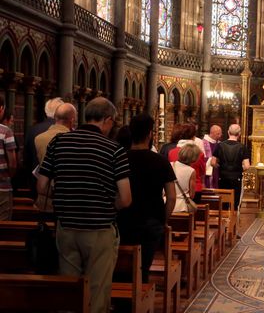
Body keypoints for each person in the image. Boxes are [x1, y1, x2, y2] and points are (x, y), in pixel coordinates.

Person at [37, 97, 132, 313]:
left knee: (70, 290)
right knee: (97, 292)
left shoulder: (58, 142)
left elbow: (42, 186)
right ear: (107, 120)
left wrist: (65, 194)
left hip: (66, 226)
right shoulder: (114, 149)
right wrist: (106, 204)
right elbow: (126, 199)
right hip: (99, 229)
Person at [117, 113, 176, 283]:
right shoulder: (160, 161)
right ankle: (138, 299)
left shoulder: (120, 158)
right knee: (143, 265)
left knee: (122, 263)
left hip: (124, 218)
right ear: (150, 134)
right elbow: (171, 197)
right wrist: (164, 221)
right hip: (151, 220)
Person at [34, 102, 77, 213]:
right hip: (66, 199)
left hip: (44, 196)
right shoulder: (74, 140)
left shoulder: (39, 138)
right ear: (72, 120)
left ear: (55, 117)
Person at [212, 124, 250, 211]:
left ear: (228, 132)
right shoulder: (242, 147)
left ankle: (223, 221)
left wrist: (221, 167)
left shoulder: (220, 145)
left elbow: (213, 162)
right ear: (239, 134)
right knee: (235, 203)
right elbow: (247, 166)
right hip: (236, 178)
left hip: (223, 177)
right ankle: (234, 222)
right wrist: (239, 168)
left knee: (223, 203)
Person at [24, 97, 63, 173]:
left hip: (35, 178)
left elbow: (27, 159)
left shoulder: (32, 130)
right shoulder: (64, 131)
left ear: (46, 111)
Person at [168, 123, 206, 196]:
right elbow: (202, 172)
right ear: (193, 137)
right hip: (195, 188)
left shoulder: (171, 152)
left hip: (177, 187)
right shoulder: (199, 153)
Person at [0, 96, 17, 220]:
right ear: (1, 109)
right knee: (3, 224)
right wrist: (8, 176)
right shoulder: (6, 131)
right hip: (2, 187)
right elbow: (12, 163)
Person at [171, 143, 200, 213]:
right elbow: (192, 195)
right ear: (194, 158)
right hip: (181, 206)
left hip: (166, 204)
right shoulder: (191, 171)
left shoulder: (170, 165)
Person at [202, 125, 222, 189]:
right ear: (211, 133)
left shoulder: (219, 143)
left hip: (217, 171)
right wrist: (211, 160)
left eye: (220, 133)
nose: (220, 136)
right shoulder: (203, 143)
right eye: (218, 134)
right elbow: (201, 158)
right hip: (207, 171)